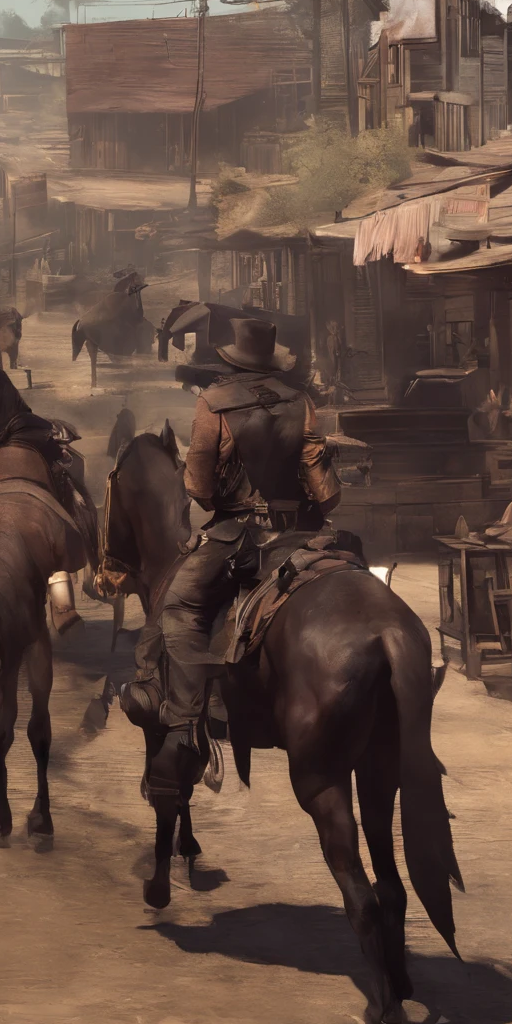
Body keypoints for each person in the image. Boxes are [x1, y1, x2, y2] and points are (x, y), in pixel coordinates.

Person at [120, 317, 339, 760]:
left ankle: (183, 721)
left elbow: (197, 488)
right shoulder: (302, 401)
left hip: (240, 537)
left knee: (179, 607)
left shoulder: (214, 404)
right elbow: (326, 493)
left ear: (232, 360)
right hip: (302, 534)